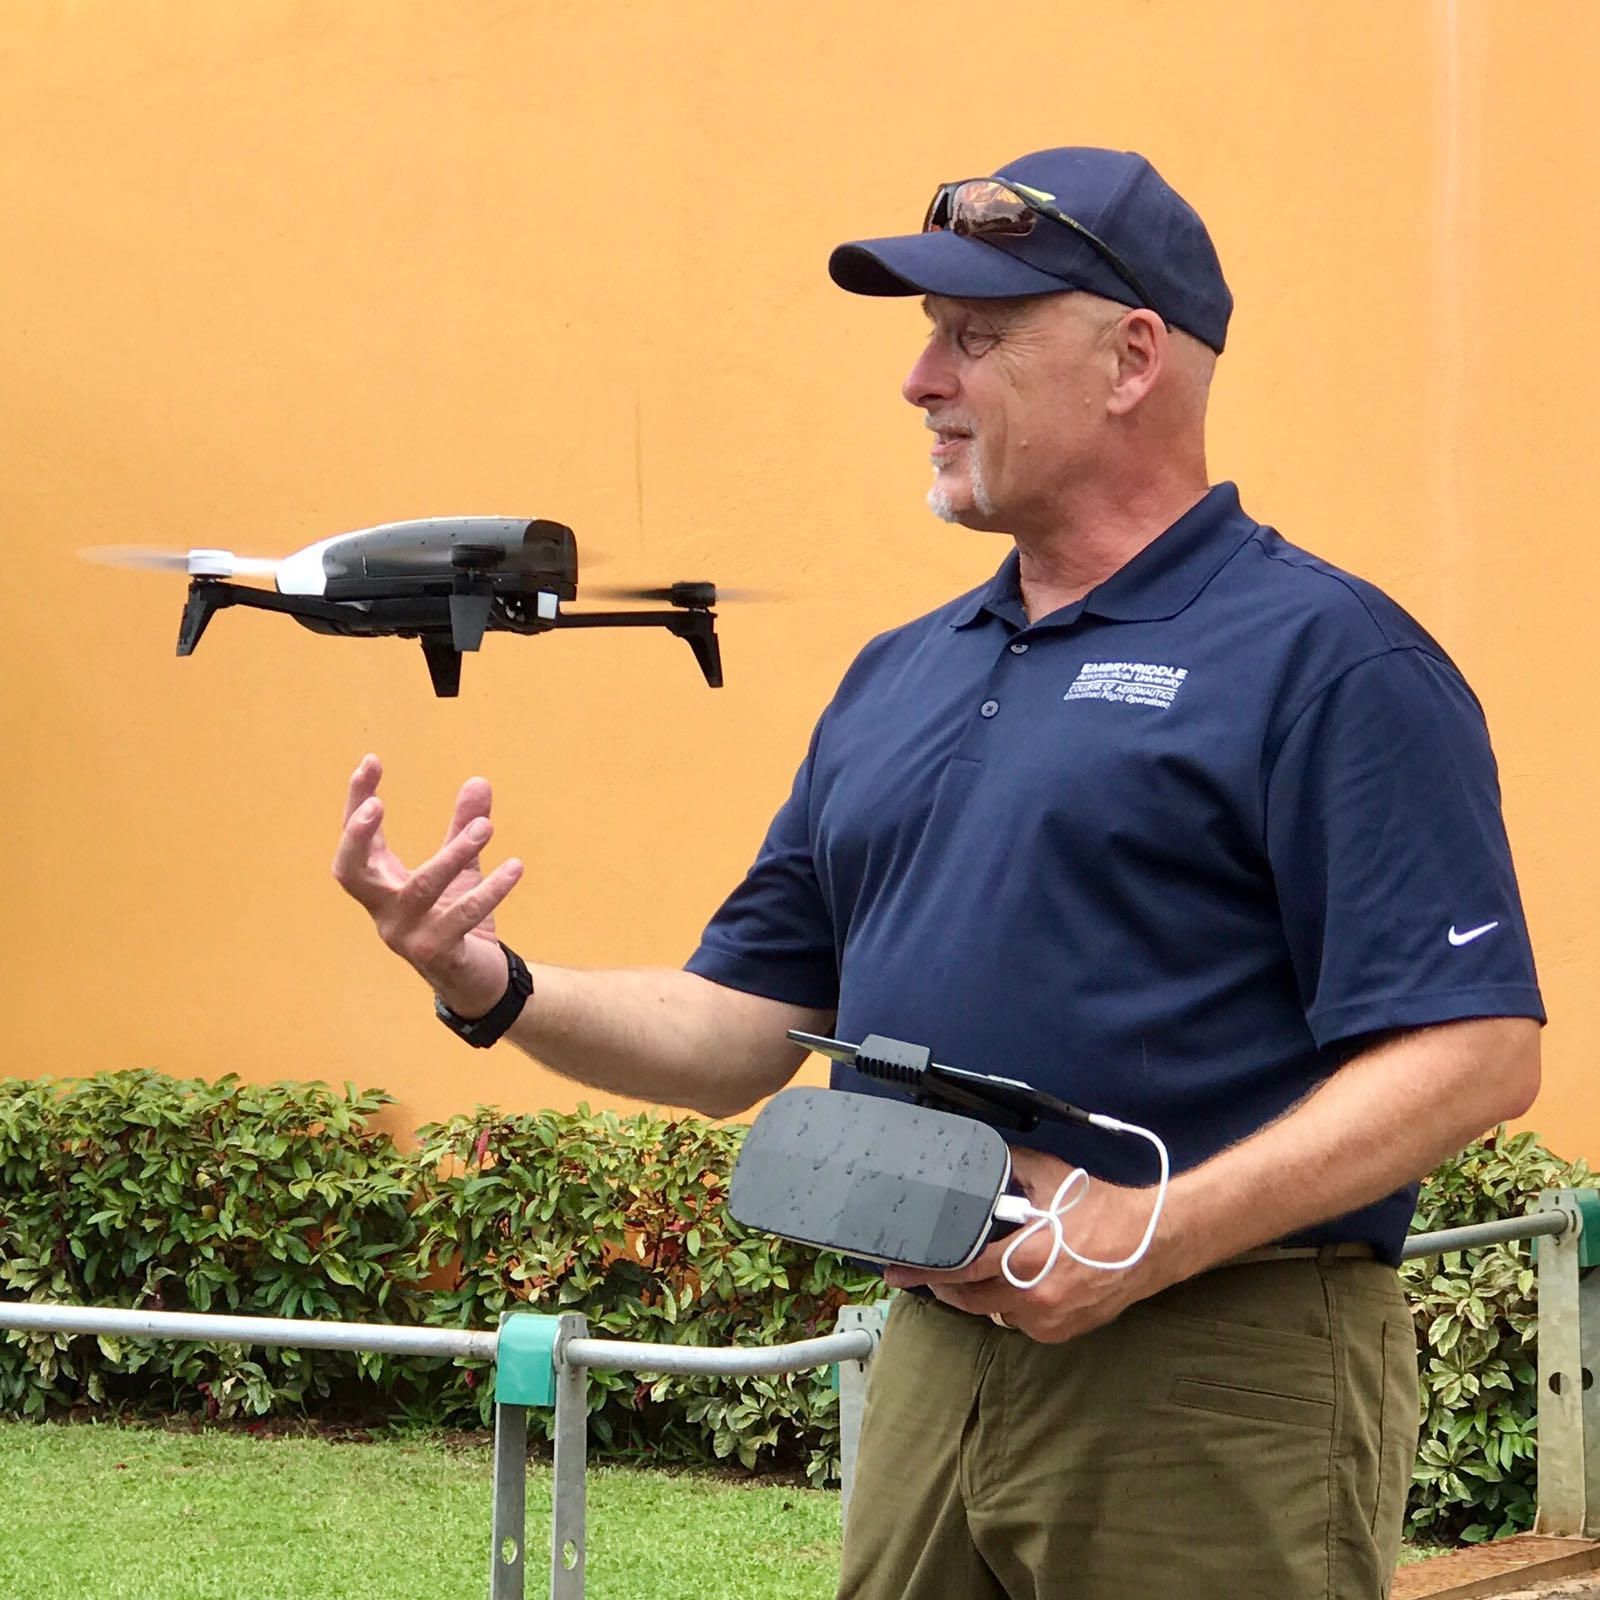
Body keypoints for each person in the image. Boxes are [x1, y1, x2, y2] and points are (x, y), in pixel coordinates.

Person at [333, 147, 1544, 1599]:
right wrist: (491, 983)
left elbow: (1476, 1052)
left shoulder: (1329, 662)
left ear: (1131, 359)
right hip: (933, 1350)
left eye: (973, 339)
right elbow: (738, 1033)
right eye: (926, 340)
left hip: (1217, 1370)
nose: (920, 381)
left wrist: (1145, 1234)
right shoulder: (898, 678)